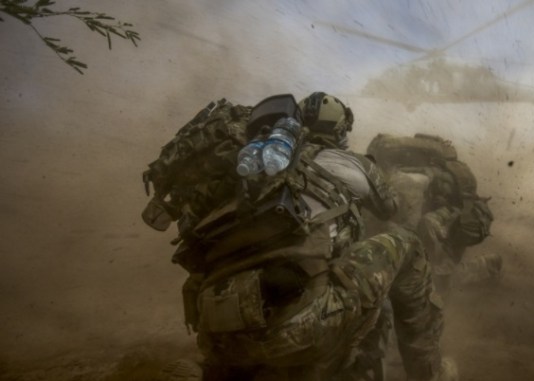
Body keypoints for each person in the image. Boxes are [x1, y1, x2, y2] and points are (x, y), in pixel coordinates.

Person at [144, 93, 454, 381]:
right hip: (302, 324)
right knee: (408, 245)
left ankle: (212, 371)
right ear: (341, 130)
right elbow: (391, 209)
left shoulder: (247, 169)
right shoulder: (350, 162)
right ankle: (428, 373)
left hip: (217, 337)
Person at [366, 133, 499, 292]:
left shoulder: (422, 177)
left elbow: (411, 224)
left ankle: (487, 265)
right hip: (448, 226)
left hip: (448, 226)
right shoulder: (426, 174)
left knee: (438, 279)